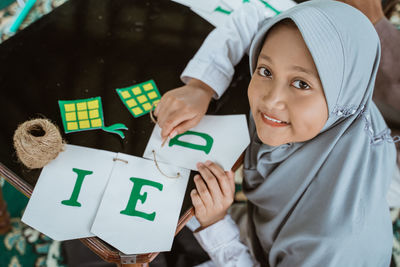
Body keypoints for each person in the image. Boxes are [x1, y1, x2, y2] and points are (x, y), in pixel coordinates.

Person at [154, 1, 397, 266]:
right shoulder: (349, 106)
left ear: (343, 96)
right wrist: (202, 86)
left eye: (301, 84)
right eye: (266, 71)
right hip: (260, 228)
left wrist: (215, 225)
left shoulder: (334, 245)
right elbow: (252, 15)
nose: (271, 101)